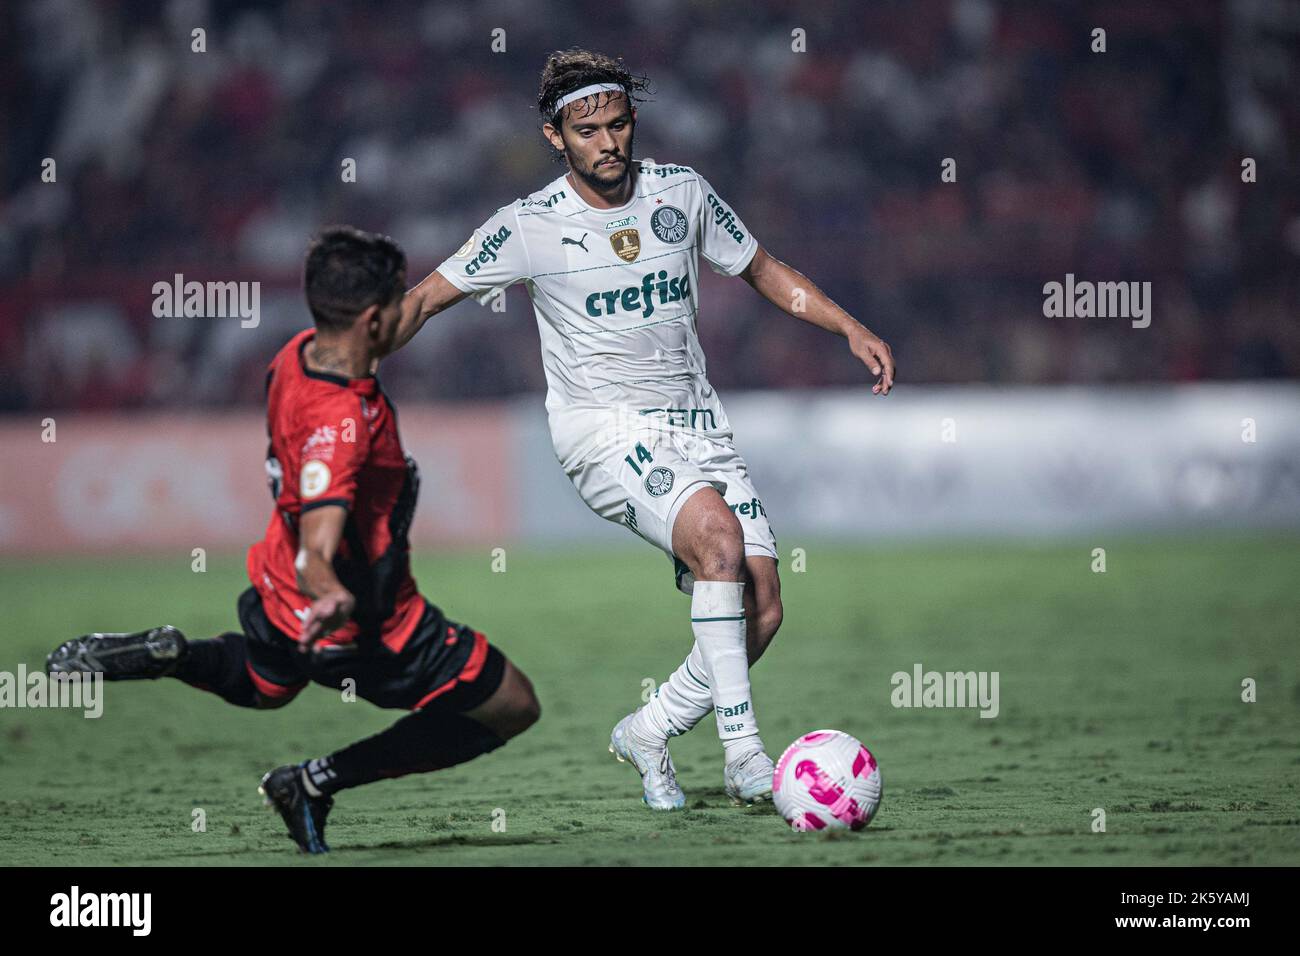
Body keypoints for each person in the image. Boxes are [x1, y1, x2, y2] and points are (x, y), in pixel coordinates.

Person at [392, 49, 895, 810]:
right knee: (719, 544)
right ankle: (745, 758)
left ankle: (649, 729)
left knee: (763, 606)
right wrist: (340, 355)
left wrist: (847, 327)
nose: (608, 142)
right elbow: (425, 299)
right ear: (555, 137)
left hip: (699, 425)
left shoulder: (680, 193)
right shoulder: (527, 226)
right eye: (587, 130)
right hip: (602, 429)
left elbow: (762, 267)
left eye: (618, 125)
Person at [46, 226, 539, 852]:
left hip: (278, 591)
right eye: (392, 304)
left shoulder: (296, 355)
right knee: (511, 704)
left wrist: (491, 253)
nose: (400, 310)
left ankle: (175, 655)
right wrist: (330, 590)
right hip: (358, 619)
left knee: (263, 683)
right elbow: (319, 536)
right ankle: (314, 781)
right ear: (370, 320)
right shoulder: (342, 426)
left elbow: (413, 309)